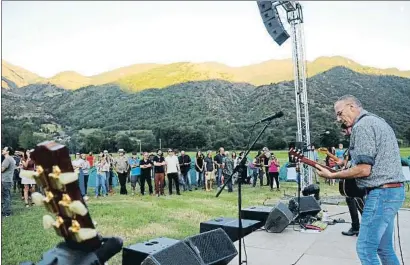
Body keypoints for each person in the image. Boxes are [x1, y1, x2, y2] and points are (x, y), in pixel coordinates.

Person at [315, 95, 406, 265]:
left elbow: (364, 170)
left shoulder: (362, 126)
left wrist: (332, 175)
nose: (338, 118)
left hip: (381, 193)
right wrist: (344, 163)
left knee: (365, 249)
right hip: (392, 191)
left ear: (352, 106)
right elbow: (374, 160)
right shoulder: (376, 121)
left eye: (339, 113)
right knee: (383, 249)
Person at [338, 124, 365, 237]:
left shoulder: (361, 141)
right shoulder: (351, 144)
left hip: (359, 180)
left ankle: (367, 229)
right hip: (350, 180)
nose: (344, 133)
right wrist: (343, 164)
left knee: (362, 204)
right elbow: (349, 161)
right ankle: (355, 227)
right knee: (350, 201)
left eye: (345, 130)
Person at [2, 146, 16, 217]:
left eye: (4, 149)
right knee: (7, 196)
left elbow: (2, 170)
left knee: (6, 196)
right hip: (8, 180)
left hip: (5, 180)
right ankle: (5, 210)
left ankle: (6, 212)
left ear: (8, 152)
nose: (2, 150)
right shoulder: (11, 158)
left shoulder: (7, 159)